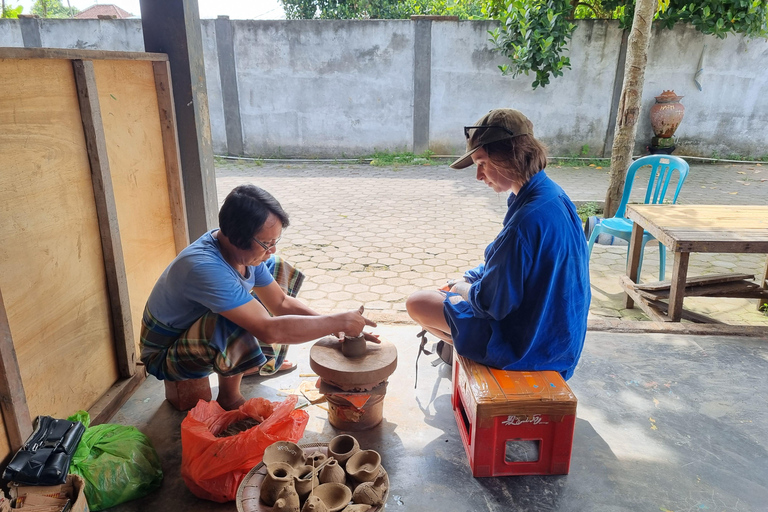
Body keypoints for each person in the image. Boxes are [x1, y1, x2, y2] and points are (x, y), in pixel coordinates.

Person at [140, 184, 378, 409]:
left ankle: (255, 361)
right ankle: (230, 398)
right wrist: (338, 321)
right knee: (237, 318)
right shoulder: (204, 268)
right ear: (237, 237)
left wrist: (332, 327)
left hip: (192, 329)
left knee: (276, 266)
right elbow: (268, 329)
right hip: (164, 352)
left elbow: (280, 302)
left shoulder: (239, 253)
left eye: (275, 241)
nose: (272, 248)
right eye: (266, 243)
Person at [406, 109, 590, 380]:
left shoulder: (524, 222)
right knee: (451, 294)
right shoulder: (550, 194)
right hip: (559, 342)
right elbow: (508, 264)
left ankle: (481, 357)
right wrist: (469, 277)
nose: (479, 176)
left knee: (418, 303)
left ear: (510, 156)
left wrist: (459, 287)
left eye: (482, 162)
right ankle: (467, 345)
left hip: (530, 349)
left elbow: (490, 303)